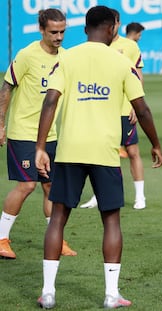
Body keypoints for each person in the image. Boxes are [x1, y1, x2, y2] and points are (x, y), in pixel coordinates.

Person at [35, 5, 162, 309]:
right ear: (113, 29)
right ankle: (110, 295)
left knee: (57, 218)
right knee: (111, 221)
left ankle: (48, 293)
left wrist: (41, 147)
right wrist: (155, 143)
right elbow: (142, 108)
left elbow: (50, 101)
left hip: (69, 150)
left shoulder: (66, 58)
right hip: (105, 152)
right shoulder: (121, 62)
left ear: (83, 29)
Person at [0, 8, 76, 260]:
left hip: (50, 135)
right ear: (42, 30)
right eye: (54, 32)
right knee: (27, 184)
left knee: (51, 188)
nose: (59, 37)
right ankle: (1, 238)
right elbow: (7, 87)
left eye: (62, 31)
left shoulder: (66, 58)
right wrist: (1, 124)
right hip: (23, 132)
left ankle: (56, 240)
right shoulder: (27, 56)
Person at [80, 9, 147, 210]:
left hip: (125, 110)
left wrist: (136, 104)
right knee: (99, 154)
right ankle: (97, 196)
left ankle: (140, 196)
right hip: (102, 110)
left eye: (116, 23)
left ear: (117, 23)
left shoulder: (131, 46)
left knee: (133, 151)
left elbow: (138, 76)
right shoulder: (95, 46)